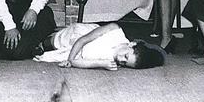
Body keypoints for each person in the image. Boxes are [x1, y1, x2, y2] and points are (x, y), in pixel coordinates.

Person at [33, 22, 165, 70]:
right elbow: (83, 40)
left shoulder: (111, 63)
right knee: (48, 42)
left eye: (124, 63)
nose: (121, 60)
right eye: (126, 55)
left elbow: (76, 62)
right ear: (131, 44)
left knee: (35, 51)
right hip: (78, 36)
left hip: (75, 54)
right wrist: (70, 59)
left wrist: (100, 64)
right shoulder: (115, 30)